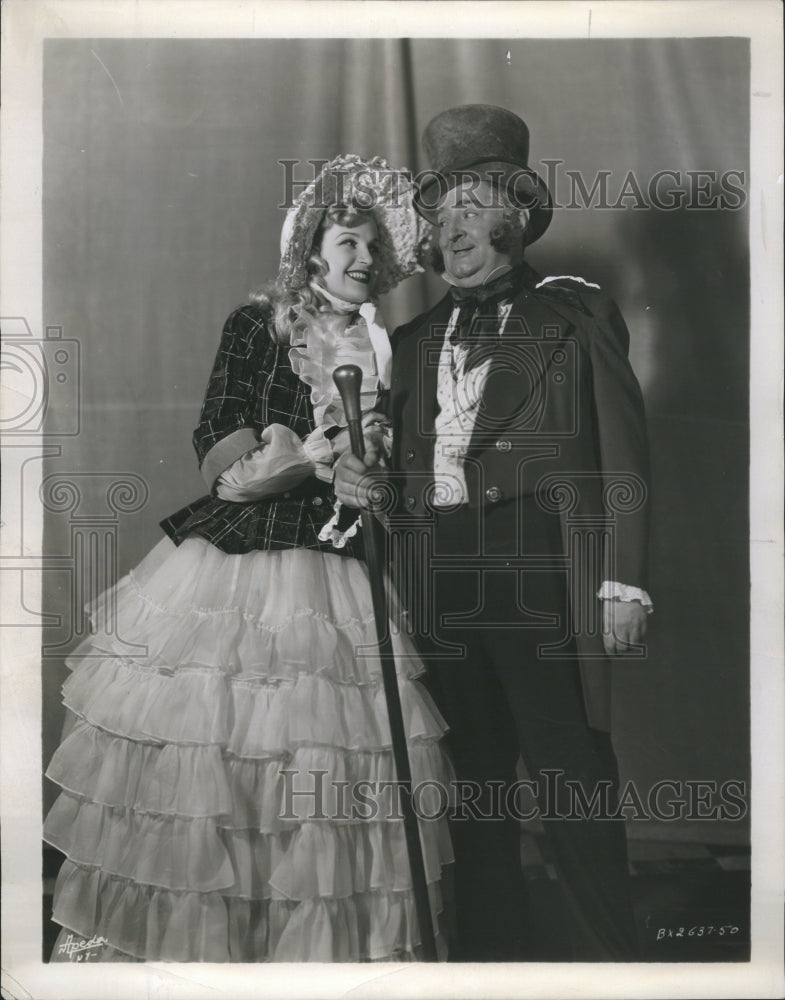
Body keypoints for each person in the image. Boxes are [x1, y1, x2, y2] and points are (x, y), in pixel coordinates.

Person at [43, 154, 454, 963]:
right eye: (346, 241)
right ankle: (195, 946)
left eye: (374, 247)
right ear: (310, 250)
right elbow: (219, 446)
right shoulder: (259, 324)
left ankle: (304, 953)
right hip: (247, 556)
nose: (362, 259)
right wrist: (308, 454)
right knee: (220, 749)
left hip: (342, 560)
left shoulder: (389, 343)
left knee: (322, 758)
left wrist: (372, 472)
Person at [335, 106, 652, 961]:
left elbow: (621, 448)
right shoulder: (408, 339)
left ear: (516, 219)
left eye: (474, 210)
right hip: (436, 583)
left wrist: (621, 579)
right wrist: (365, 484)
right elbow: (400, 471)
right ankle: (488, 963)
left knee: (569, 778)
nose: (456, 231)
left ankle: (610, 964)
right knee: (469, 785)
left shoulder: (575, 317)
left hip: (541, 578)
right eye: (442, 218)